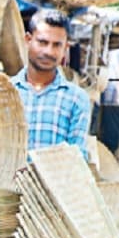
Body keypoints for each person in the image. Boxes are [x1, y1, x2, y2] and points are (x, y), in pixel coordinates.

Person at [12, 8, 92, 160]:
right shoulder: (5, 92)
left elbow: (76, 159)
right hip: (4, 183)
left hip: (53, 183)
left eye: (56, 45)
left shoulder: (76, 99)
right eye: (42, 42)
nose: (48, 51)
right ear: (28, 40)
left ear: (65, 48)